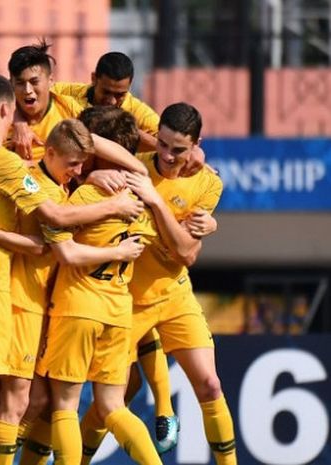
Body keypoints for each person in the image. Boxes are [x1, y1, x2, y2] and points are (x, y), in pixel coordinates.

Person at [0, 73, 150, 465]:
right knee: (2, 398)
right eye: (73, 164)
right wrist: (114, 209)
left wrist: (94, 168)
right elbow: (54, 233)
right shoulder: (21, 174)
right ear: (6, 108)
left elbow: (60, 167)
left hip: (5, 291)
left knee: (31, 400)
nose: (76, 170)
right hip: (8, 295)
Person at [35, 115, 163, 465]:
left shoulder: (84, 197)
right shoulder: (143, 199)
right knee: (112, 406)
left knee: (64, 405)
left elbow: (65, 251)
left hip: (79, 305)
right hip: (119, 310)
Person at [125, 102, 236, 465]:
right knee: (117, 396)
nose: (169, 156)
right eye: (164, 145)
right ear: (155, 137)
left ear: (196, 145)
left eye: (179, 149)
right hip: (126, 300)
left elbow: (186, 253)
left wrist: (155, 201)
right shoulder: (132, 167)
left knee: (211, 384)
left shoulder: (208, 183)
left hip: (174, 294)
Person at [0, 40, 84, 163]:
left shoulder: (70, 110)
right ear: (11, 84)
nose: (27, 90)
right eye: (20, 83)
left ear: (50, 81)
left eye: (34, 82)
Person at [52, 51, 159, 152]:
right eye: (106, 92)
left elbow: (167, 146)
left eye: (119, 95)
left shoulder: (140, 112)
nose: (112, 101)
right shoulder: (65, 93)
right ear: (93, 78)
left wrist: (127, 132)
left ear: (129, 86)